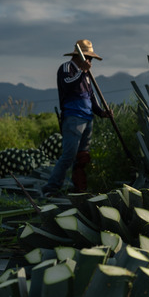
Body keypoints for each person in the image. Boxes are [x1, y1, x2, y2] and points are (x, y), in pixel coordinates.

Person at [42, 39, 111, 196]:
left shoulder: (86, 75)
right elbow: (68, 84)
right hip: (73, 117)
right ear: (79, 57)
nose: (89, 61)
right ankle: (51, 188)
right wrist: (82, 72)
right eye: (88, 58)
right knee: (69, 155)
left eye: (91, 59)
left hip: (87, 118)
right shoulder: (67, 68)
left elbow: (91, 96)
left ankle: (79, 188)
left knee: (82, 157)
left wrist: (101, 112)